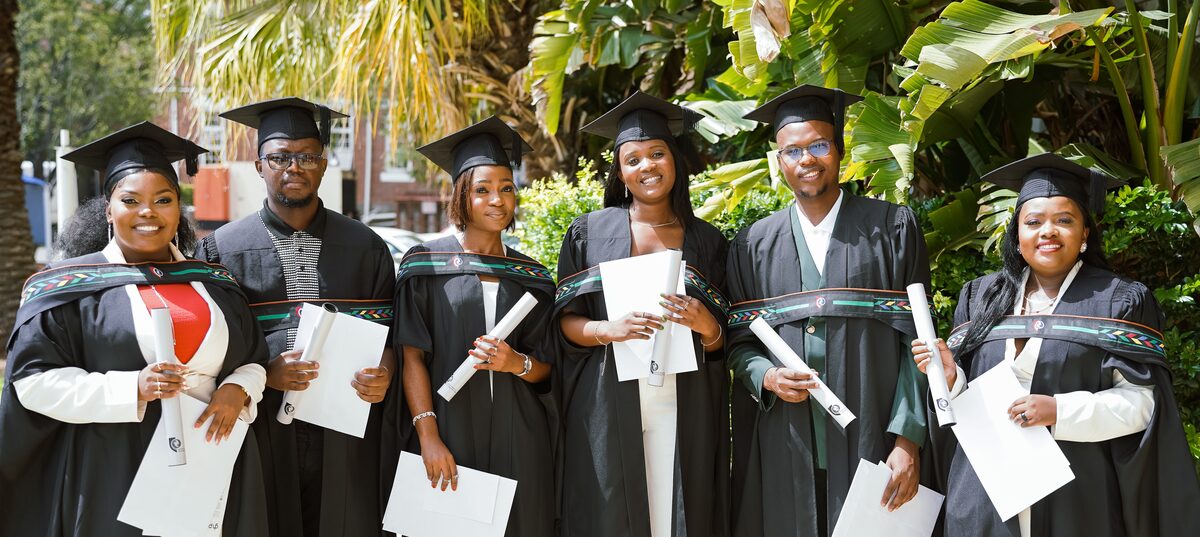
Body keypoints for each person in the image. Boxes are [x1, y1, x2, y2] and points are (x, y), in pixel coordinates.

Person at [0, 122, 269, 536]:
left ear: (179, 209)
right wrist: (133, 388)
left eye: (163, 199)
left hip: (209, 468)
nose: (148, 212)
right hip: (114, 472)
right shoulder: (68, 287)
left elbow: (252, 358)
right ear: (109, 209)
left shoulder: (214, 283)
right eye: (131, 200)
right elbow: (32, 383)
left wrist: (240, 388)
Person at [911, 153, 1200, 537]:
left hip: (1076, 495)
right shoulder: (980, 296)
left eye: (1064, 220)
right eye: (1033, 222)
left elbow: (1142, 406)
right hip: (984, 495)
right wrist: (951, 380)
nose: (1048, 231)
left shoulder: (1117, 300)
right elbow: (960, 409)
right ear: (1016, 235)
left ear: (1084, 235)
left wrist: (1058, 410)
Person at [725, 85, 930, 536]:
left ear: (838, 151)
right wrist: (767, 376)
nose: (807, 159)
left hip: (872, 432)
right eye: (792, 150)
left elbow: (919, 343)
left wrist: (908, 439)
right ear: (779, 162)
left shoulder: (891, 228)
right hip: (786, 438)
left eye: (819, 145)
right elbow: (738, 344)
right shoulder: (753, 245)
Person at [196, 98, 397, 537]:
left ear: (324, 165)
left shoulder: (366, 246)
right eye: (279, 157)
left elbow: (392, 338)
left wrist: (385, 370)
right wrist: (266, 371)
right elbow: (209, 348)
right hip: (259, 424)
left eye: (307, 156)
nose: (294, 167)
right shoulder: (221, 250)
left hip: (345, 431)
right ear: (258, 165)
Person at [553, 91, 731, 537]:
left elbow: (724, 340)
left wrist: (706, 326)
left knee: (678, 509)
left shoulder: (707, 241)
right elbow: (564, 323)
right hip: (607, 399)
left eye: (657, 154)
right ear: (620, 172)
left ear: (675, 161)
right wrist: (607, 329)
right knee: (612, 510)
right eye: (633, 159)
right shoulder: (589, 232)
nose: (647, 166)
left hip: (684, 397)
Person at [392, 116, 557, 537]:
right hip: (448, 429)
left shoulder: (532, 276)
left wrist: (514, 362)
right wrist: (428, 436)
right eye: (482, 190)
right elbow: (411, 354)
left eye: (506, 188)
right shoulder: (425, 266)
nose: (497, 200)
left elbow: (549, 370)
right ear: (462, 196)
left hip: (520, 436)